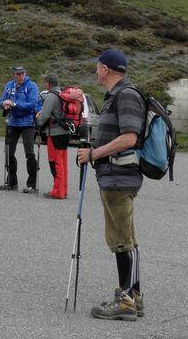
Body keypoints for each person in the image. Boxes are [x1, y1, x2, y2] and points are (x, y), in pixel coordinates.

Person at [78, 49, 145, 321]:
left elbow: (129, 138)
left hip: (119, 177)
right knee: (126, 238)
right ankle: (134, 296)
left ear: (105, 69)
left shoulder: (125, 95)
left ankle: (125, 300)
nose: (96, 72)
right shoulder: (115, 95)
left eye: (97, 67)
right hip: (114, 176)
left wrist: (93, 154)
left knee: (120, 240)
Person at [0, 65, 41, 193]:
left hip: (28, 123)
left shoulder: (32, 86)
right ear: (14, 75)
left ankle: (32, 184)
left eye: (23, 73)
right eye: (18, 74)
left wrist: (14, 104)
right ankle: (12, 182)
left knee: (29, 153)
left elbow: (32, 104)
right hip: (13, 122)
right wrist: (4, 104)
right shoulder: (9, 85)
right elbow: (1, 101)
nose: (21, 76)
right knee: (9, 152)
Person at [36, 73, 70, 199]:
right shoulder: (62, 94)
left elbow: (44, 115)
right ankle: (63, 189)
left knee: (56, 162)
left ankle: (58, 192)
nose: (45, 84)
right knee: (63, 162)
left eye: (45, 82)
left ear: (48, 84)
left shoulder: (51, 96)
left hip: (55, 133)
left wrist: (38, 121)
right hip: (65, 132)